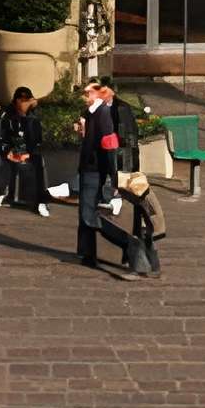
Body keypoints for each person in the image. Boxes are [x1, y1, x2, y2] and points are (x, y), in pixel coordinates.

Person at [74, 80, 132, 268]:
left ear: (99, 94)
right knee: (85, 211)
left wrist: (112, 177)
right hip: (88, 168)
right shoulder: (90, 115)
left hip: (95, 170)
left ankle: (126, 243)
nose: (84, 97)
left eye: (88, 93)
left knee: (89, 215)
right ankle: (86, 254)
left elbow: (109, 148)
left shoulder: (103, 115)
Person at [0, 86, 48, 215]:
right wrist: (7, 151)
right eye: (23, 101)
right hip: (7, 149)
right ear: (17, 101)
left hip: (23, 149)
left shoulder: (33, 118)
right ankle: (1, 192)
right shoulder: (3, 115)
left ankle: (39, 199)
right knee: (1, 159)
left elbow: (37, 141)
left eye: (29, 101)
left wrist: (28, 153)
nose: (26, 105)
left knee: (37, 160)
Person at [115, 170, 165, 278]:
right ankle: (150, 268)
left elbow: (150, 216)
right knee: (144, 242)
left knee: (144, 242)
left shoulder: (144, 198)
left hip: (150, 223)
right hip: (147, 221)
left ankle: (144, 269)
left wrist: (144, 228)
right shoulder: (140, 192)